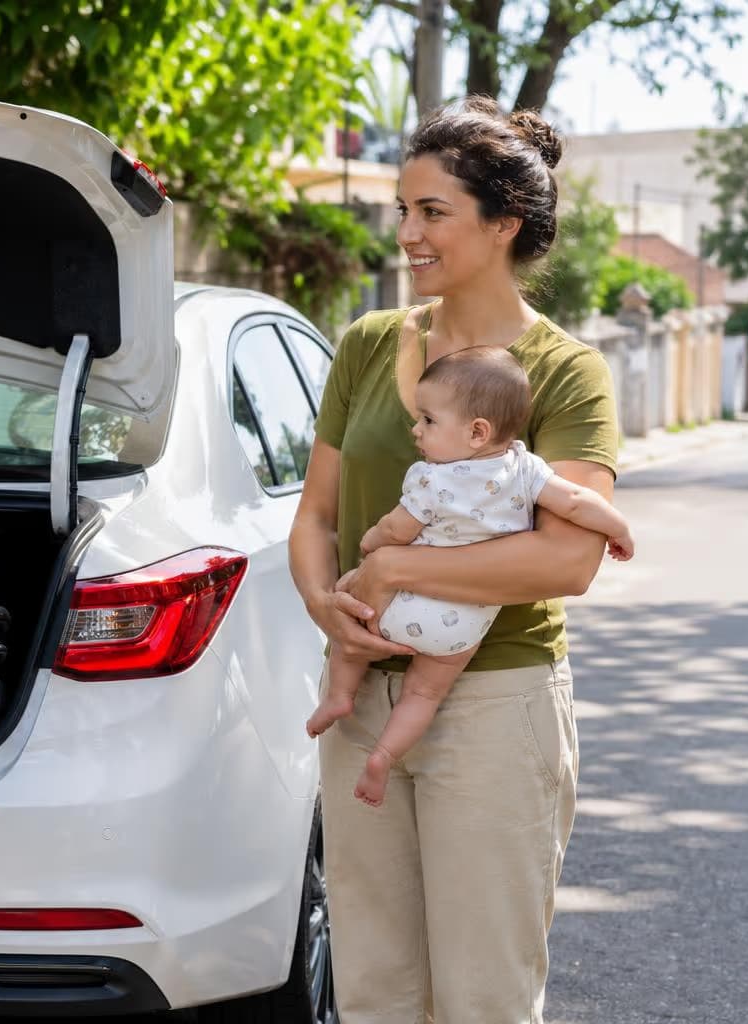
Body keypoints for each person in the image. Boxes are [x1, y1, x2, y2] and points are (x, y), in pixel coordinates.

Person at [288, 96, 620, 1023]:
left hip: (494, 705)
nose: (407, 234)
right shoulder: (366, 344)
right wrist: (326, 603)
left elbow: (565, 561)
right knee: (374, 990)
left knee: (482, 999)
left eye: (432, 212)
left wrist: (395, 572)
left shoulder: (565, 372)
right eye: (403, 210)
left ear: (504, 222)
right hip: (363, 704)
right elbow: (315, 517)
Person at [305, 346, 634, 808]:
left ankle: (339, 696)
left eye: (428, 421)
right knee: (423, 692)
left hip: (404, 604)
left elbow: (399, 528)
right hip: (466, 625)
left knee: (352, 622)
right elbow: (578, 502)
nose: (415, 430)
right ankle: (383, 757)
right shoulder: (526, 470)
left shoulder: (431, 480)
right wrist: (618, 530)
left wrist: (372, 543)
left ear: (477, 431)